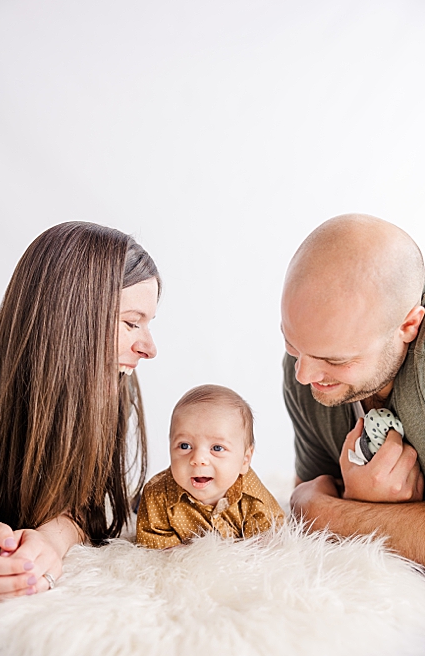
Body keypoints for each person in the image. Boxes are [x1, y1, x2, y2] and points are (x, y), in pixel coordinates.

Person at [0, 221, 159, 603]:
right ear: (71, 314)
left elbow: (87, 504)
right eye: (131, 322)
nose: (148, 347)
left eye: (147, 324)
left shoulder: (112, 386)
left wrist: (48, 541)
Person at [283, 213, 425, 564]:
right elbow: (313, 486)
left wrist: (330, 516)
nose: (304, 375)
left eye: (335, 359)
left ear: (409, 325)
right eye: (291, 344)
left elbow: (314, 506)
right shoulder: (305, 373)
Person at [135, 384, 283, 549]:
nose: (198, 459)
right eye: (185, 446)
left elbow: (274, 530)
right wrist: (181, 552)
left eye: (217, 448)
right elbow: (150, 543)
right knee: (138, 506)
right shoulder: (157, 494)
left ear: (244, 460)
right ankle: (134, 503)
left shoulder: (252, 496)